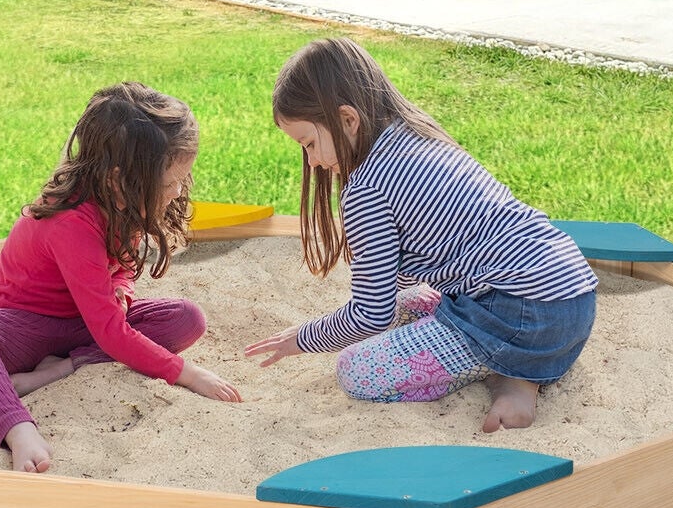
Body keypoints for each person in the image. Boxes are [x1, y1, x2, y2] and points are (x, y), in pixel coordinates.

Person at [245, 39, 596, 433]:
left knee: (356, 369)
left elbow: (370, 314)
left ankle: (508, 370)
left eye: (308, 143)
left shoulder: (365, 188)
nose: (312, 161)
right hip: (572, 300)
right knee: (409, 301)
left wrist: (304, 338)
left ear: (347, 120)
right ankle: (516, 370)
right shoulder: (416, 134)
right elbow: (406, 273)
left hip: (520, 315)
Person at [0, 83, 240, 474]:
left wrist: (122, 290)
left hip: (85, 327)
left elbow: (124, 268)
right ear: (118, 178)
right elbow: (111, 331)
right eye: (168, 184)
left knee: (186, 318)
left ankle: (62, 367)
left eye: (181, 178)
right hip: (23, 331)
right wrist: (187, 374)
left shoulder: (124, 200)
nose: (178, 190)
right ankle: (16, 426)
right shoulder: (70, 221)